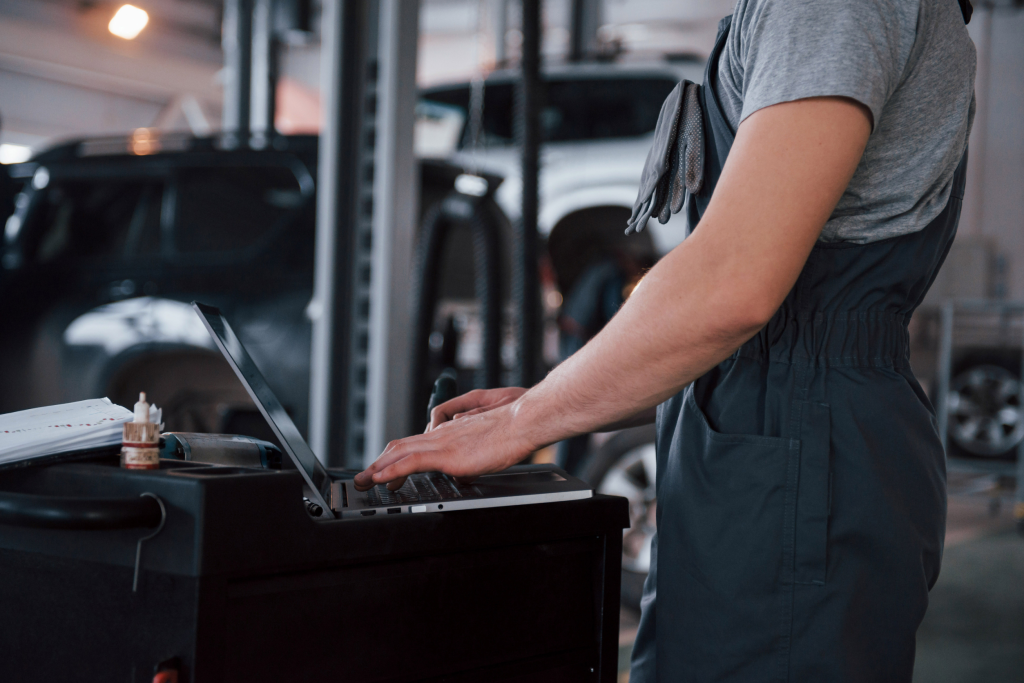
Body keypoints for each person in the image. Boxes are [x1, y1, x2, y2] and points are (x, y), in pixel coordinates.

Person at [356, 0, 976, 680]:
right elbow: (755, 333)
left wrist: (522, 422)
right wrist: (562, 392)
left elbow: (734, 288)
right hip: (790, 440)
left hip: (795, 462)